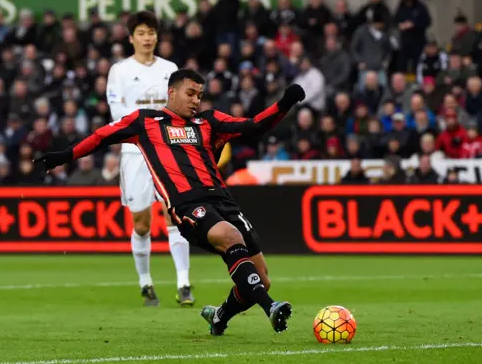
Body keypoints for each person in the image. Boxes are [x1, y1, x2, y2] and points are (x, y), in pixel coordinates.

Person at [34, 68, 306, 335]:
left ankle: (219, 316)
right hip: (187, 206)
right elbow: (102, 136)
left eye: (199, 95)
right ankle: (271, 308)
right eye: (190, 93)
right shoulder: (146, 122)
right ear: (171, 92)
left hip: (224, 201)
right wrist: (66, 156)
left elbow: (254, 125)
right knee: (230, 236)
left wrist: (285, 103)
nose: (195, 101)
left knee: (261, 279)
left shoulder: (209, 122)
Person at [105, 11, 192, 307]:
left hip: (168, 150)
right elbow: (117, 113)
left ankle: (184, 283)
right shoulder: (119, 71)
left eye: (151, 32)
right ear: (131, 38)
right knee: (141, 224)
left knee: (175, 215)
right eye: (141, 33)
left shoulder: (170, 68)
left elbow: (181, 106)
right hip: (135, 152)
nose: (147, 38)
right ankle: (145, 283)